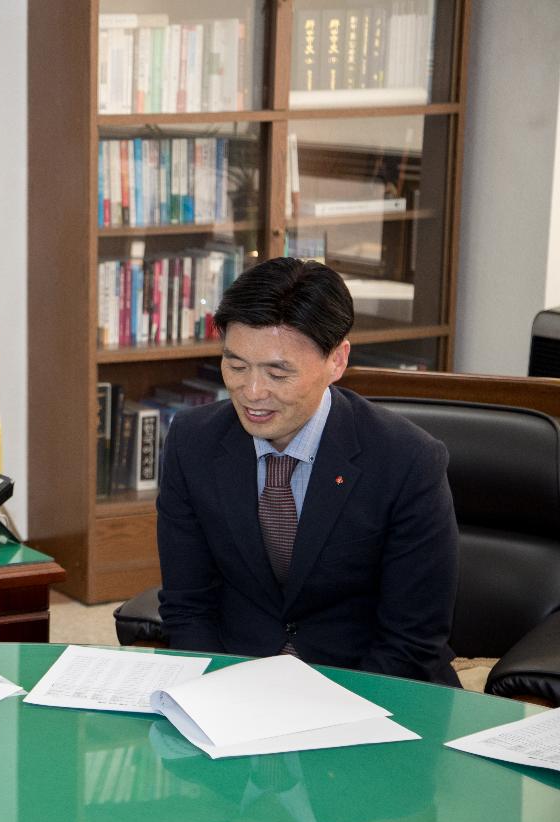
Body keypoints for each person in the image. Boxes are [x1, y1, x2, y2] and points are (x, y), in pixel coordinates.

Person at [156, 257, 459, 684]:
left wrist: (332, 715)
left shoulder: (408, 461)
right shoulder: (193, 442)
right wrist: (214, 694)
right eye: (236, 366)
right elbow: (187, 606)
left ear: (337, 361)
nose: (252, 392)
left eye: (278, 372)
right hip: (238, 680)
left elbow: (412, 640)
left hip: (371, 686)